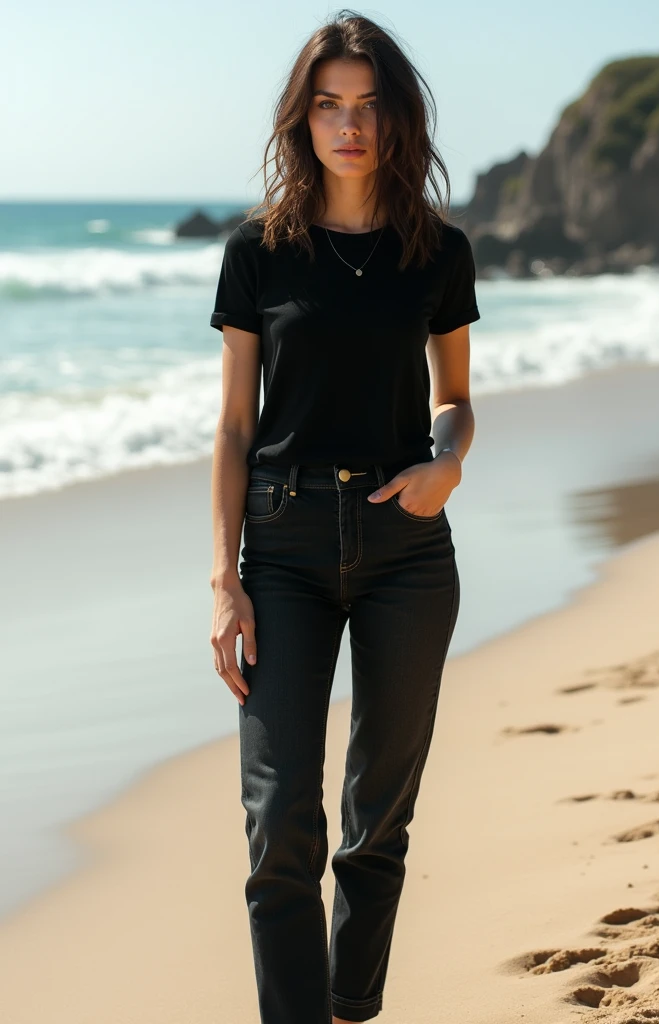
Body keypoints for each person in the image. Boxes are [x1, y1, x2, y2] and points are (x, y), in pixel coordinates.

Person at [209, 11, 480, 1023]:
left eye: (367, 105)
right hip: (278, 547)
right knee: (280, 817)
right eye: (328, 103)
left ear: (396, 117)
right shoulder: (258, 252)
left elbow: (453, 397)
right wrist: (223, 576)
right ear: (303, 118)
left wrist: (446, 462)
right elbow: (234, 425)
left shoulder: (436, 251)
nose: (348, 123)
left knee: (377, 817)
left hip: (408, 548)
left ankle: (347, 1006)